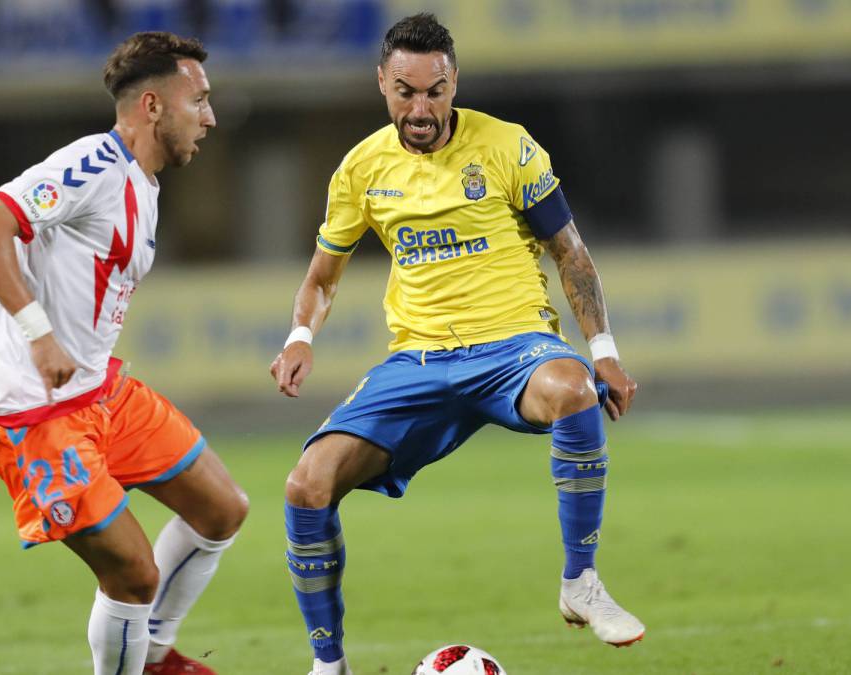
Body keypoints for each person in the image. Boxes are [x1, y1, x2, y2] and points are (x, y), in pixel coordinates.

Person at [268, 13, 645, 674]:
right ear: (382, 82)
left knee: (576, 390)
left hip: (513, 348)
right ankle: (328, 664)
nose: (421, 107)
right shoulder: (361, 168)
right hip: (417, 360)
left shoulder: (507, 146)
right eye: (406, 91)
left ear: (454, 82)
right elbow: (321, 278)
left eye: (435, 90)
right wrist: (301, 335)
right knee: (307, 483)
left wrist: (604, 346)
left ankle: (580, 582)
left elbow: (572, 254)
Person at [0, 32, 247, 675]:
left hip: (98, 395)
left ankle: (153, 656)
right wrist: (38, 332)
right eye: (198, 100)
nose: (210, 116)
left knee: (221, 507)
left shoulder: (143, 183)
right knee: (134, 575)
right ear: (152, 106)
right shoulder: (92, 165)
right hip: (35, 415)